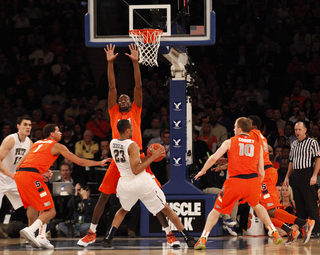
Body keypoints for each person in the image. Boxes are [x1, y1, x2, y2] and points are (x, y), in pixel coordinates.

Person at [78, 44, 181, 248]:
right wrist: (109, 64)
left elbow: (138, 88)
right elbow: (112, 87)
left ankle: (169, 234)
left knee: (158, 201)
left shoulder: (136, 110)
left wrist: (135, 62)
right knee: (102, 198)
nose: (124, 99)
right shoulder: (113, 111)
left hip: (138, 159)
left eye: (127, 98)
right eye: (121, 99)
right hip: (118, 162)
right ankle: (91, 232)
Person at [102, 119, 196, 249]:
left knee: (123, 209)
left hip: (124, 183)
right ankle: (188, 238)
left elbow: (130, 161)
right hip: (140, 182)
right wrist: (153, 157)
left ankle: (108, 239)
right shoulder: (132, 145)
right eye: (132, 129)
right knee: (166, 208)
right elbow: (136, 169)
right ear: (128, 130)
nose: (133, 131)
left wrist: (147, 156)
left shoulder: (113, 143)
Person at [194, 117, 282, 250]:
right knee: (257, 205)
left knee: (216, 210)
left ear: (240, 129)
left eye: (235, 127)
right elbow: (261, 170)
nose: (233, 129)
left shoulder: (230, 141)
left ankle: (202, 239)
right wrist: (258, 184)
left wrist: (202, 171)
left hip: (235, 181)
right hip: (253, 181)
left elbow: (214, 158)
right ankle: (273, 231)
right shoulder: (257, 145)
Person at [15, 124, 108, 249]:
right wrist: (100, 162)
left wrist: (40, 172)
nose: (61, 133)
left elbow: (18, 166)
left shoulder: (36, 144)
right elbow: (79, 161)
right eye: (58, 131)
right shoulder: (57, 145)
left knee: (45, 207)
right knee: (51, 211)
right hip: (32, 176)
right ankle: (30, 230)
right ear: (52, 134)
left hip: (20, 176)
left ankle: (42, 237)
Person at [248, 115, 314, 245]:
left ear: (253, 125)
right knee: (259, 212)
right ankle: (290, 231)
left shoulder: (252, 134)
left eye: (246, 122)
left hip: (264, 173)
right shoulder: (260, 136)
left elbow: (249, 157)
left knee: (269, 210)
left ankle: (304, 223)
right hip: (264, 172)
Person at [0, 115, 38, 233]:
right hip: (1, 177)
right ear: (18, 126)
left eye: (30, 125)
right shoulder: (10, 139)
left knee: (33, 202)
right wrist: (11, 174)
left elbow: (30, 163)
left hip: (15, 179)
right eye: (25, 125)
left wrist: (44, 171)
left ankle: (30, 233)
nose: (28, 127)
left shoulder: (30, 143)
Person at [284, 121, 320, 237]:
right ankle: (303, 229)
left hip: (308, 173)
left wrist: (314, 175)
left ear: (305, 130)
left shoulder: (312, 142)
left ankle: (317, 230)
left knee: (311, 203)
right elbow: (291, 162)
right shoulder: (293, 144)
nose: (297, 132)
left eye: (299, 130)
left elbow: (318, 159)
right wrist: (287, 176)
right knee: (299, 204)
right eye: (295, 130)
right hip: (297, 174)